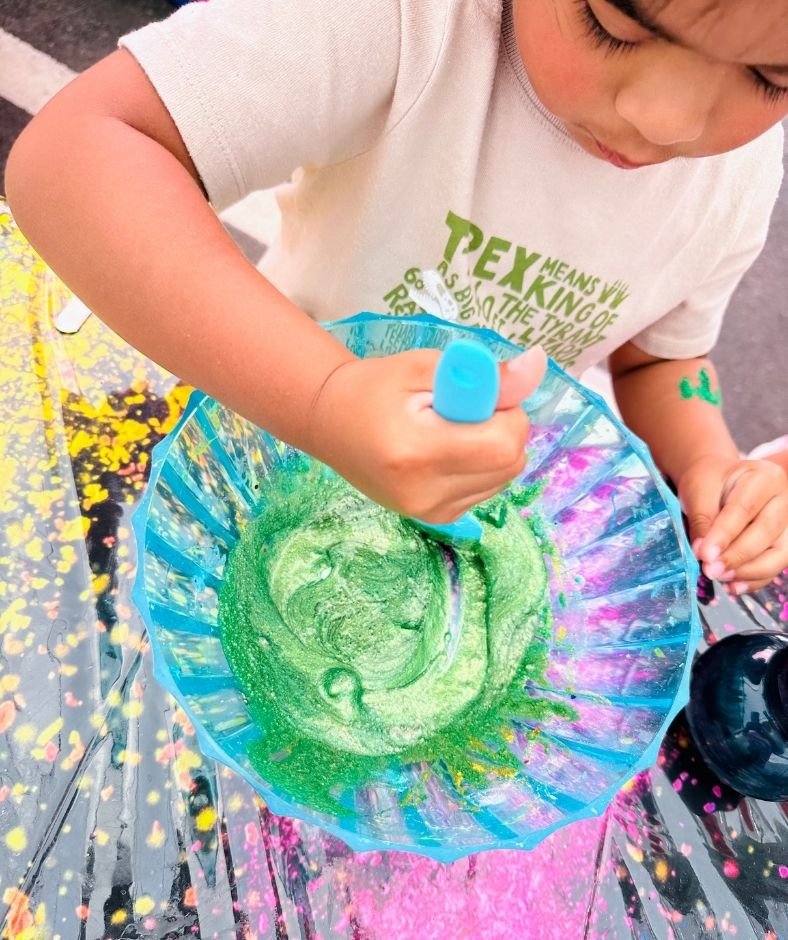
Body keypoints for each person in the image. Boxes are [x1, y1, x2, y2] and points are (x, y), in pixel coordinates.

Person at [6, 0, 788, 592]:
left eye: (768, 76)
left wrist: (709, 464)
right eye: (613, 21)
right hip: (263, 442)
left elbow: (658, 361)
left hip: (478, 514)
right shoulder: (412, 23)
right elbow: (80, 152)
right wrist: (327, 400)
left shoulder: (744, 175)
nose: (668, 120)